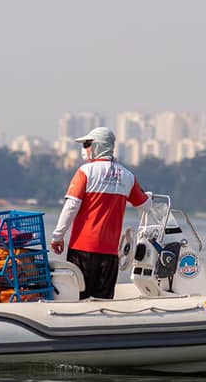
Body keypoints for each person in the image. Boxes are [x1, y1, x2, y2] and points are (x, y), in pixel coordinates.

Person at [50, 127, 151, 299]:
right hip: (110, 254)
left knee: (77, 298)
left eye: (87, 144)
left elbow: (71, 206)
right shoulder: (128, 177)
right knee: (103, 301)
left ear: (98, 146)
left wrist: (58, 236)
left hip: (82, 250)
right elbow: (146, 205)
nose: (85, 149)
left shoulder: (85, 172)